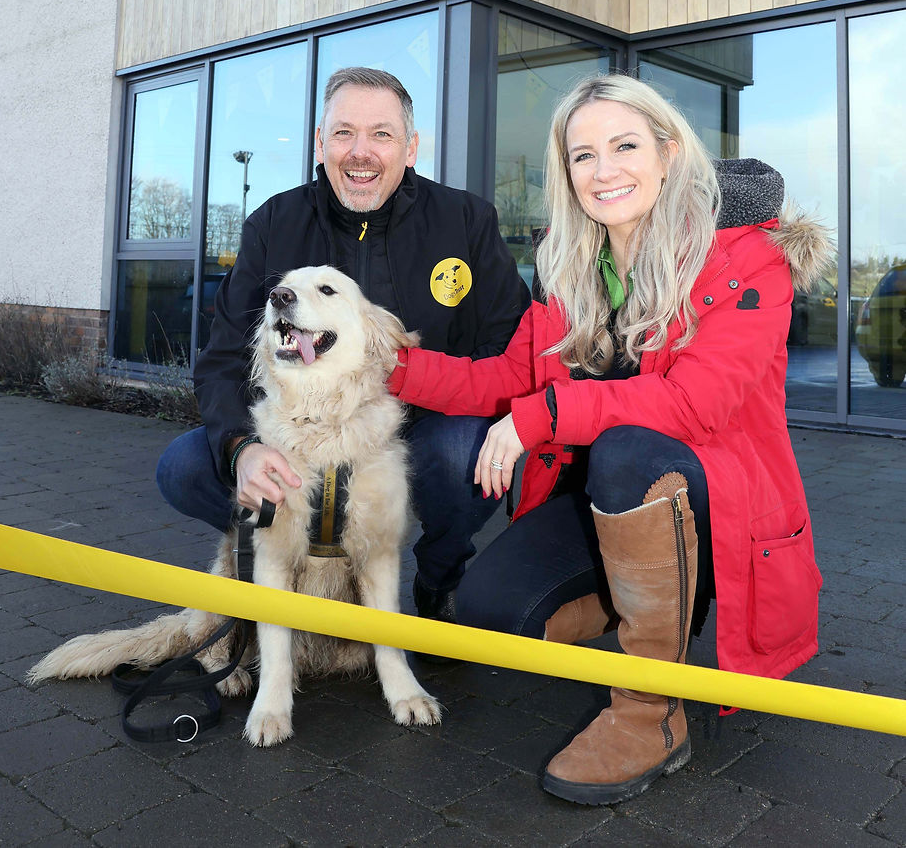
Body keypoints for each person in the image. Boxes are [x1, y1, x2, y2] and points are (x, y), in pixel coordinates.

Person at [387, 73, 828, 805]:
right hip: (612, 509)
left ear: (667, 153)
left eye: (624, 145)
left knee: (629, 448)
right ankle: (645, 602)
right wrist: (387, 365)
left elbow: (696, 402)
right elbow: (507, 379)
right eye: (582, 155)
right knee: (496, 612)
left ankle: (650, 712)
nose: (604, 170)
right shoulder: (569, 270)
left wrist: (545, 418)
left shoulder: (745, 259)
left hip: (719, 507)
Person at [156, 66, 531, 621]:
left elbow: (511, 340)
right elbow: (224, 359)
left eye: (381, 134)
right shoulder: (273, 224)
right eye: (344, 133)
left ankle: (439, 579)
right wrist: (242, 448)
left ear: (411, 148)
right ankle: (307, 563)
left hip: (423, 423)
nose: (361, 152)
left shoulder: (467, 220)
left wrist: (506, 417)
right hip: (306, 431)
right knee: (185, 466)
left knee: (463, 455)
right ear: (320, 142)